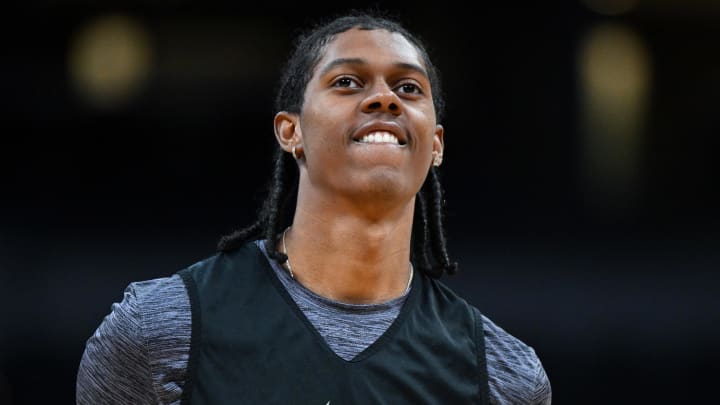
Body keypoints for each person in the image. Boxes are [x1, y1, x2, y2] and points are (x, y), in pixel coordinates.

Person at [77, 9, 552, 404]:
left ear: (436, 145)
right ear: (291, 131)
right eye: (348, 81)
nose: (385, 98)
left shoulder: (503, 376)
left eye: (408, 88)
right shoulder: (159, 332)